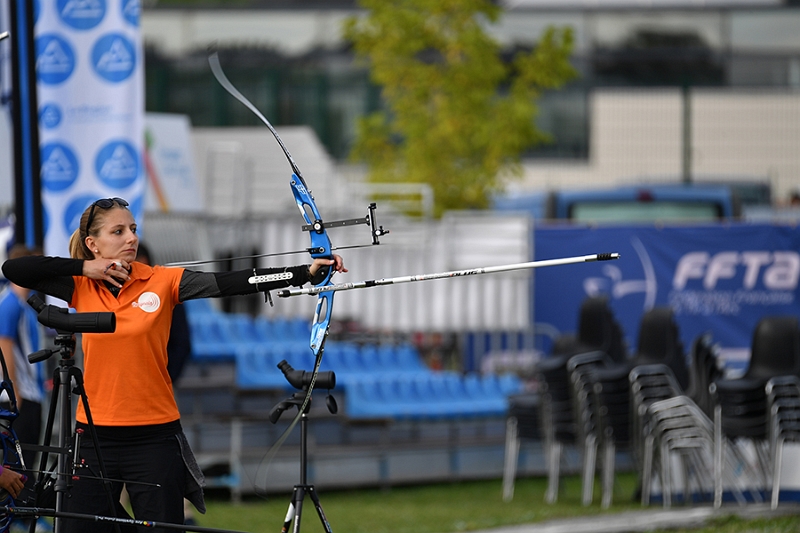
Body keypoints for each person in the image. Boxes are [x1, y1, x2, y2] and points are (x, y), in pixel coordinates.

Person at [1, 197, 346, 533]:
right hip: (93, 435)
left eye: (133, 229)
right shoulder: (80, 285)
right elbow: (14, 269)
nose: (131, 237)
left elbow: (232, 283)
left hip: (153, 436)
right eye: (118, 231)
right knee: (78, 526)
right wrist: (85, 267)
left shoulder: (163, 281)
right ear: (93, 244)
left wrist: (304, 273)